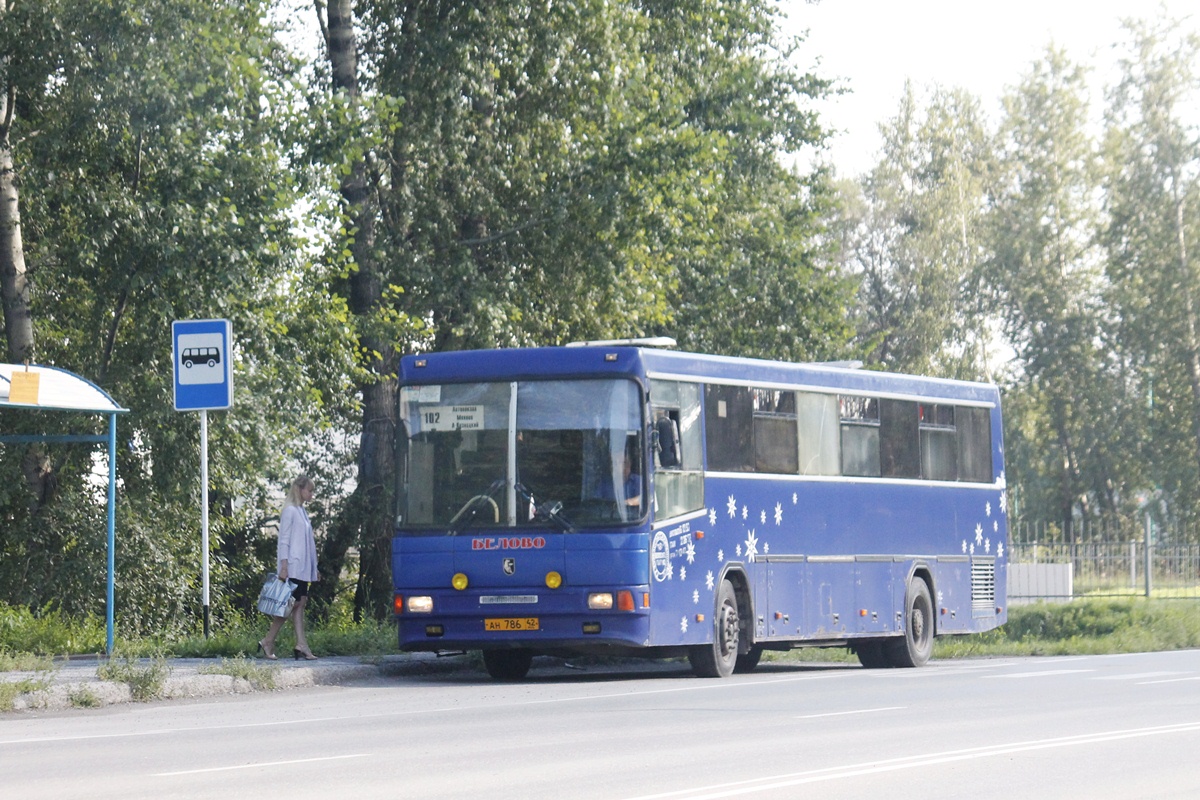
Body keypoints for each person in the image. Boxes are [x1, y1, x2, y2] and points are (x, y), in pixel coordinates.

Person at [259, 474, 319, 661]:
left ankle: (300, 644)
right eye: (309, 490)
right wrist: (283, 566)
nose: (311, 494)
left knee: (299, 603)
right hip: (293, 566)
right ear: (299, 490)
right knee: (290, 604)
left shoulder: (302, 512)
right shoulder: (290, 511)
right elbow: (284, 541)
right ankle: (269, 641)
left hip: (302, 567)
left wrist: (314, 567)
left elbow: (308, 543)